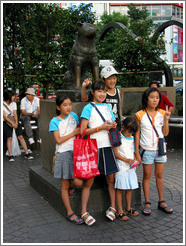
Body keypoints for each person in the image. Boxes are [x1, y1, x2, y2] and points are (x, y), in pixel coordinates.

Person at [80, 80, 119, 223]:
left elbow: (112, 124)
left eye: (104, 91)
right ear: (93, 92)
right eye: (99, 91)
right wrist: (100, 128)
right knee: (89, 182)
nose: (102, 94)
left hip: (108, 147)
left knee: (110, 179)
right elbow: (83, 131)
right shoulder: (88, 108)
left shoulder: (108, 107)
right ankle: (84, 212)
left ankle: (113, 207)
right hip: (93, 148)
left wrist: (113, 125)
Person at [135, 87, 173, 215]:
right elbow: (137, 134)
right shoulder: (139, 114)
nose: (155, 100)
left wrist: (166, 120)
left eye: (157, 98)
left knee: (160, 176)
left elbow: (165, 133)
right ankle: (147, 202)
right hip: (146, 150)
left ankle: (161, 201)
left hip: (160, 149)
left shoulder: (162, 113)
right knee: (146, 176)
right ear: (146, 99)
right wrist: (136, 152)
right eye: (152, 97)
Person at [49, 94, 85, 225]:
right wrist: (74, 133)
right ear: (58, 107)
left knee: (79, 183)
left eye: (70, 104)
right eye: (65, 105)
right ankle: (70, 212)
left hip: (76, 153)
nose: (68, 107)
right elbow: (58, 140)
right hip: (63, 154)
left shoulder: (74, 116)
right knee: (64, 186)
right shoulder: (54, 121)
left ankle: (70, 181)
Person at [114, 117, 139, 221]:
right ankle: (119, 210)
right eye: (129, 132)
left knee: (130, 188)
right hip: (121, 167)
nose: (130, 134)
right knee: (120, 189)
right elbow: (116, 154)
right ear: (123, 127)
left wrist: (134, 159)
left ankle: (128, 208)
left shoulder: (132, 138)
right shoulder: (118, 137)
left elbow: (132, 151)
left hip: (130, 167)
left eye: (132, 132)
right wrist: (127, 160)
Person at [3, 90, 33, 161]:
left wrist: (16, 122)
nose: (14, 97)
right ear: (9, 97)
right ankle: (10, 155)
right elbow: (4, 116)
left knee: (20, 136)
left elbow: (15, 114)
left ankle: (26, 152)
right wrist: (12, 123)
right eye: (13, 96)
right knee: (9, 137)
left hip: (14, 121)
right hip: (6, 122)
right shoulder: (2, 104)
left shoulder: (14, 104)